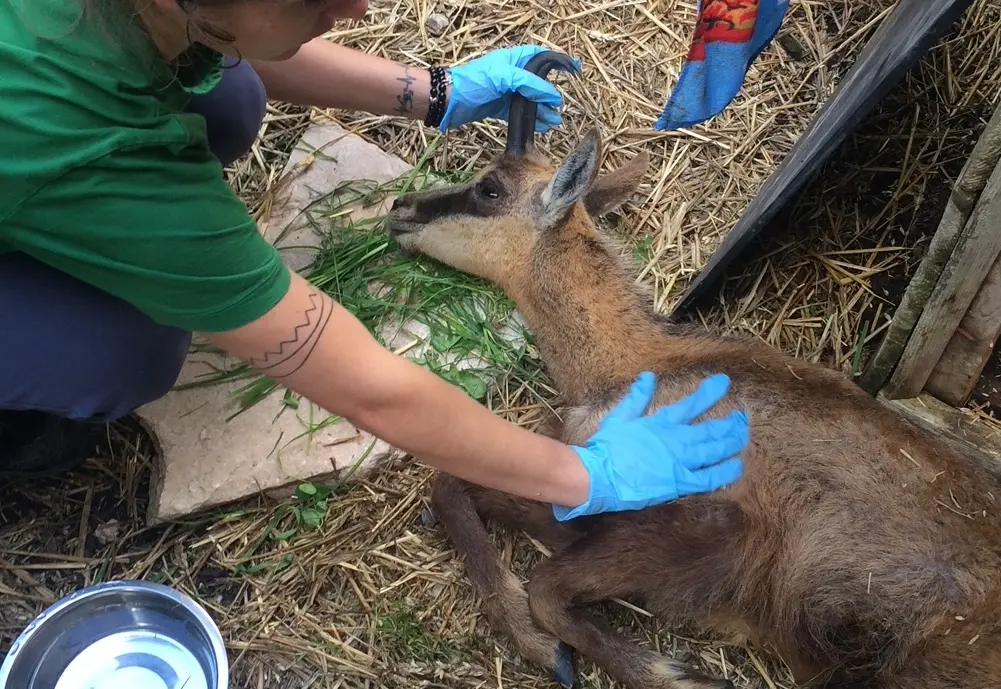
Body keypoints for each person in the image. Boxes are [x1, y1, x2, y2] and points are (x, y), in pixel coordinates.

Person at [0, 0, 749, 521]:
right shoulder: (91, 144)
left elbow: (236, 30)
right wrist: (584, 474)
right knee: (131, 350)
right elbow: (368, 389)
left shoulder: (132, 15)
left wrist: (434, 93)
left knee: (230, 99)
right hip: (37, 141)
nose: (358, 8)